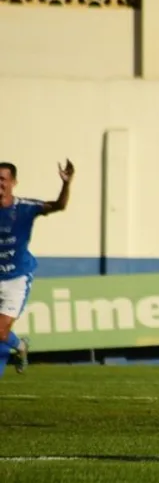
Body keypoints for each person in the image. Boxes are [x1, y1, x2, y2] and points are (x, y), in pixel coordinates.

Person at [0, 160, 75, 377]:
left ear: (14, 182)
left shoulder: (26, 208)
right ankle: (20, 346)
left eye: (3, 179)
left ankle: (19, 346)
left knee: (0, 331)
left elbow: (59, 206)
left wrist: (66, 184)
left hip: (16, 279)